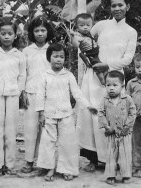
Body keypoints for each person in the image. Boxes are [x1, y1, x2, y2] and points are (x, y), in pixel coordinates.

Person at [78, 0, 138, 172]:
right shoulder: (101, 25)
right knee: (91, 116)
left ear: (128, 6)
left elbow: (128, 59)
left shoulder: (130, 32)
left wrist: (108, 65)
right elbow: (83, 39)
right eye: (114, 5)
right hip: (93, 76)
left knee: (113, 116)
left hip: (114, 78)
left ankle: (113, 158)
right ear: (110, 8)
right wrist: (83, 48)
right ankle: (93, 159)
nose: (117, 8)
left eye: (121, 5)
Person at [35, 43, 98, 182]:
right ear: (49, 58)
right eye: (55, 56)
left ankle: (67, 169)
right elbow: (40, 95)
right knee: (47, 142)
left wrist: (88, 106)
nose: (58, 59)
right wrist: (40, 113)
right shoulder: (44, 75)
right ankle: (49, 167)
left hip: (66, 114)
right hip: (49, 114)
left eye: (61, 57)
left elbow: (77, 94)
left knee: (67, 143)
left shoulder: (68, 75)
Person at [0, 21, 26, 177]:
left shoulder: (19, 55)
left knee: (10, 130)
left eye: (9, 33)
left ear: (15, 35)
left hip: (12, 95)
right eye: (3, 33)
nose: (6, 36)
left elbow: (22, 75)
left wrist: (18, 91)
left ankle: (9, 164)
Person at [20, 16, 54, 173]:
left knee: (47, 129)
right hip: (31, 92)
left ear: (48, 32)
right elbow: (22, 73)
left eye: (43, 30)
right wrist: (23, 92)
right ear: (32, 33)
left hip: (49, 94)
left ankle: (45, 162)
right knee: (30, 128)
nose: (40, 33)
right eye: (36, 30)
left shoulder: (53, 50)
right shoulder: (26, 51)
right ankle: (28, 161)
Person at [99, 71, 136, 185]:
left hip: (124, 133)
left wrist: (127, 127)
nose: (111, 88)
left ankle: (126, 175)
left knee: (125, 154)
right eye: (108, 85)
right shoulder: (105, 100)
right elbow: (101, 114)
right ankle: (110, 175)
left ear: (122, 86)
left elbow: (132, 113)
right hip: (111, 133)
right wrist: (106, 126)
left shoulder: (127, 99)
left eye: (115, 85)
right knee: (111, 155)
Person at [71, 13, 107, 85]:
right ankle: (102, 81)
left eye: (88, 25)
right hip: (91, 54)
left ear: (91, 26)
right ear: (77, 27)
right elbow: (76, 45)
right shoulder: (78, 36)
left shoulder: (89, 33)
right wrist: (73, 37)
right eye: (82, 25)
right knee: (97, 67)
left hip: (98, 53)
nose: (85, 27)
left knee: (105, 66)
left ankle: (107, 79)